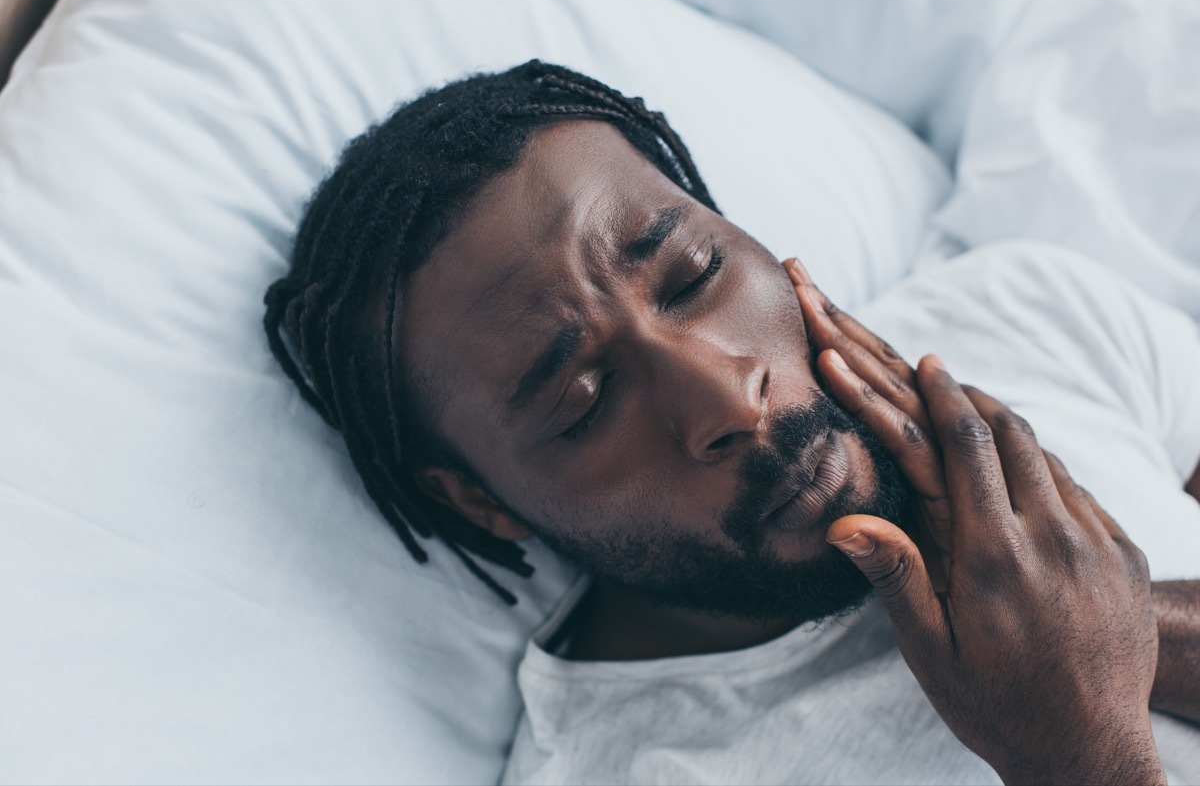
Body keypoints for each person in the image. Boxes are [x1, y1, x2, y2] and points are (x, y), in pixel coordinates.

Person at [264, 61, 1200, 784]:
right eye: (583, 399)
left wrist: (1124, 632)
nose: (724, 396)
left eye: (694, 275)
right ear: (478, 499)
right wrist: (1081, 752)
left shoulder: (1027, 310)